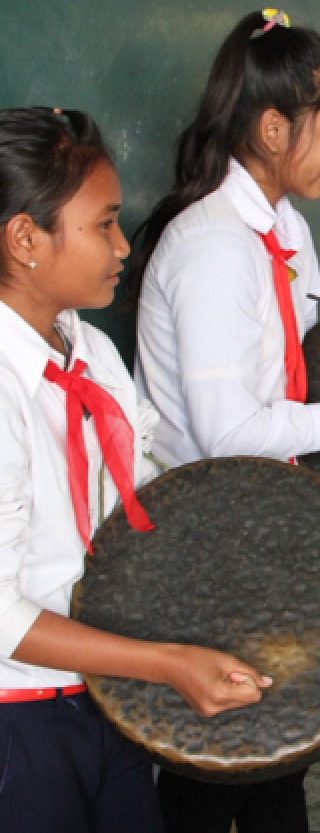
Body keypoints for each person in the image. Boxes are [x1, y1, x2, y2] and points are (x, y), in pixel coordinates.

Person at [132, 10, 320, 833]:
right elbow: (229, 431)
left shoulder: (281, 230)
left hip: (266, 517)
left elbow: (291, 372)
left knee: (278, 747)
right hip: (210, 534)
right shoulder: (213, 247)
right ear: (273, 128)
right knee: (215, 760)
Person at [0, 107, 271, 833]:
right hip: (19, 718)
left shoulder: (90, 353)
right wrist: (165, 662)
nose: (123, 245)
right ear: (26, 238)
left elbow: (136, 499)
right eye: (103, 224)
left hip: (100, 687)